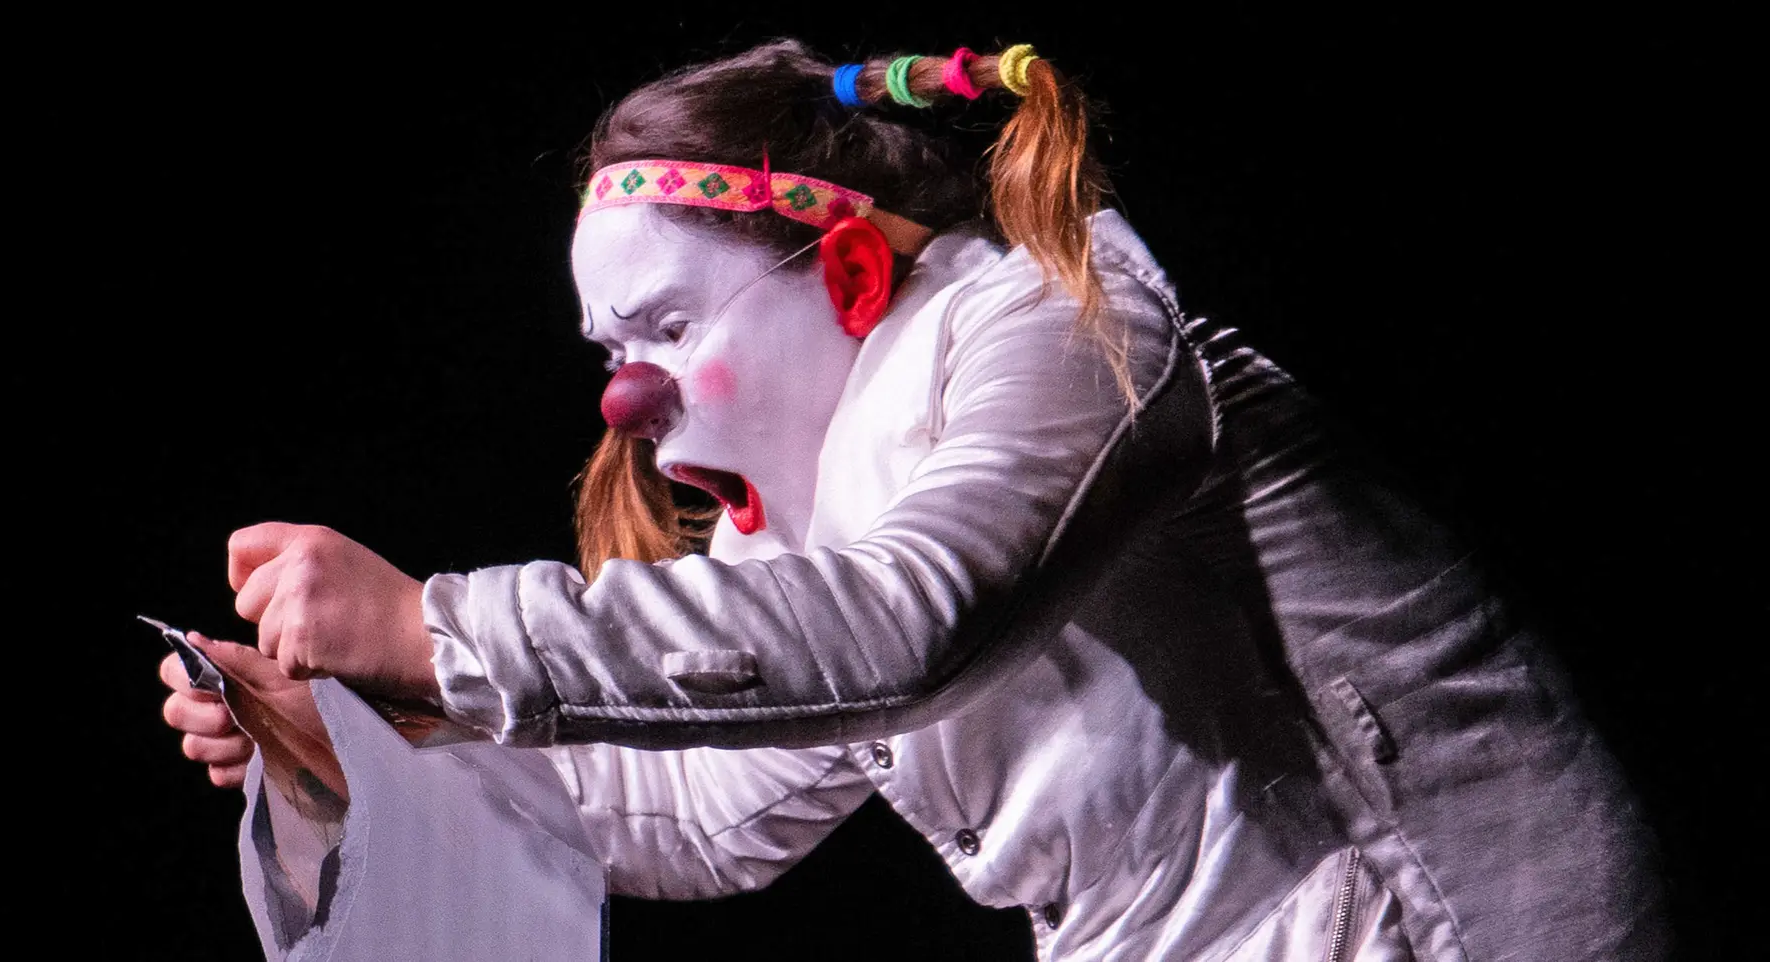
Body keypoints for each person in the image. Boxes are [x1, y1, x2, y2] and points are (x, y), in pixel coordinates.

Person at [159, 40, 1668, 959]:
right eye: (612, 349)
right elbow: (691, 811)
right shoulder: (808, 521)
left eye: (670, 328)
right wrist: (370, 745)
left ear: (854, 268)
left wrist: (436, 630)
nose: (627, 395)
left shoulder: (1066, 320)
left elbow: (916, 621)